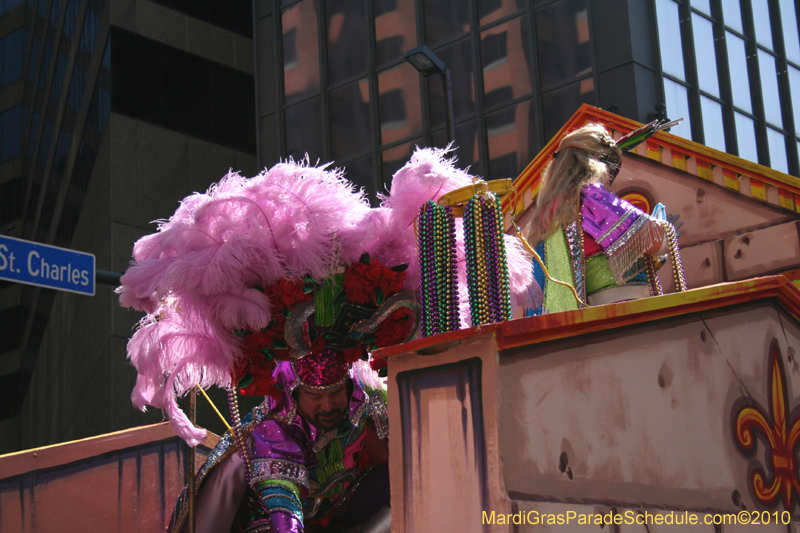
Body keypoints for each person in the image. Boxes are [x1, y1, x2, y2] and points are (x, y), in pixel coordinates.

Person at [170, 352, 390, 533]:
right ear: (293, 392)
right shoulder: (273, 431)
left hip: (337, 511)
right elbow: (284, 508)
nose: (328, 406)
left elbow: (402, 461)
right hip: (271, 519)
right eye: (315, 397)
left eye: (336, 394)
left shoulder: (364, 408)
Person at [525, 123, 668, 312]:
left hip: (591, 314)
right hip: (627, 309)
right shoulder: (591, 197)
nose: (610, 181)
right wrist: (665, 227)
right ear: (595, 161)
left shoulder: (547, 214)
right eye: (611, 170)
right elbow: (656, 239)